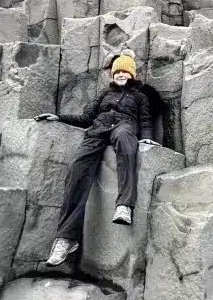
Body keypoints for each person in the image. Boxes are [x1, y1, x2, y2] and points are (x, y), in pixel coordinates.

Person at [35, 49, 159, 267]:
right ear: (113, 74)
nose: (120, 74)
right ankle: (66, 239)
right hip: (97, 129)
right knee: (77, 167)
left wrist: (147, 138)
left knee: (126, 143)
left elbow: (146, 120)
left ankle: (124, 205)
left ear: (132, 74)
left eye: (125, 71)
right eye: (117, 71)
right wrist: (59, 117)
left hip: (125, 126)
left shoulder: (140, 97)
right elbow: (86, 118)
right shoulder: (104, 94)